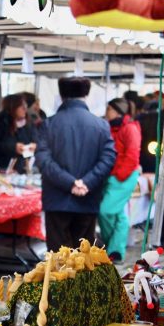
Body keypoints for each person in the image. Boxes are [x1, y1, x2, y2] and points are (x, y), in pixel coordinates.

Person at [35, 77, 116, 252]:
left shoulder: (49, 124)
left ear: (61, 94)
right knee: (84, 256)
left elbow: (43, 159)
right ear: (86, 94)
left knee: (58, 259)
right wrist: (86, 182)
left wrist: (70, 182)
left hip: (57, 199)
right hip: (88, 197)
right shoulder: (101, 125)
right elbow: (108, 157)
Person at [98, 98, 141, 263]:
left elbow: (132, 155)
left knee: (106, 211)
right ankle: (116, 251)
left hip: (123, 175)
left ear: (117, 111)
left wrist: (118, 175)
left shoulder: (129, 128)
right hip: (114, 175)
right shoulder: (112, 127)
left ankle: (112, 246)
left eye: (108, 109)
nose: (106, 112)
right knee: (119, 215)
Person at [0, 94, 37, 174]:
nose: (24, 109)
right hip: (3, 168)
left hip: (24, 169)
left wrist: (34, 146)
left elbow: (36, 139)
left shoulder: (28, 122)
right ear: (12, 107)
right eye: (21, 106)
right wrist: (13, 147)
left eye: (25, 106)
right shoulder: (0, 122)